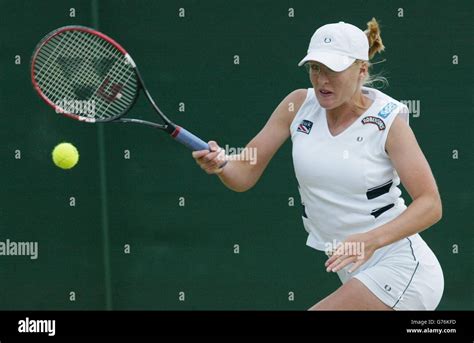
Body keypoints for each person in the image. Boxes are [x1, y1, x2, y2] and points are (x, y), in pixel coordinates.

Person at [192, 18, 444, 310]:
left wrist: (370, 240)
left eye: (333, 70)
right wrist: (222, 164)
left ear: (361, 69)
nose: (322, 80)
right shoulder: (297, 105)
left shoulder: (388, 122)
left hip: (402, 268)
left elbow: (431, 204)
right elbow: (244, 172)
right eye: (315, 68)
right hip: (352, 271)